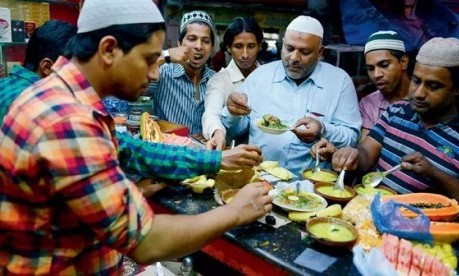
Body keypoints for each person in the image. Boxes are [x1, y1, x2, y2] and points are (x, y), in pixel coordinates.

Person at [0, 0, 272, 274]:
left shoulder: (59, 96)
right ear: (108, 50)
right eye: (149, 59)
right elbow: (145, 240)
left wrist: (216, 158)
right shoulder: (67, 120)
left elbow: (133, 150)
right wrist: (235, 211)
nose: (155, 73)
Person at [0, 20, 263, 187]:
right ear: (49, 68)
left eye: (206, 40)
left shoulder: (16, 91)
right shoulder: (49, 109)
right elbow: (127, 151)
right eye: (81, 69)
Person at [331, 37, 459, 208]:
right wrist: (350, 156)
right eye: (416, 81)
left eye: (433, 86)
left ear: (457, 89)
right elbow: (365, 153)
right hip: (368, 213)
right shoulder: (396, 111)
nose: (418, 93)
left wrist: (434, 173)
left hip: (421, 229)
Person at [221, 15, 361, 174]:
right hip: (259, 178)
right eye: (289, 49)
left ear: (320, 52)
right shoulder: (259, 76)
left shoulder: (339, 82)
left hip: (310, 185)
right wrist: (232, 112)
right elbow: (235, 130)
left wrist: (323, 129)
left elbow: (352, 136)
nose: (294, 58)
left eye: (305, 51)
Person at [151, 10, 216, 136]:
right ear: (179, 44)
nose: (199, 46)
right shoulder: (163, 72)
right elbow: (130, 81)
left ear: (212, 48)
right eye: (192, 39)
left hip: (203, 153)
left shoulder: (216, 79)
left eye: (206, 41)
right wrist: (166, 54)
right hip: (168, 152)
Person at [203, 17, 263, 150]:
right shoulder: (219, 80)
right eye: (238, 46)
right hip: (233, 155)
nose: (245, 54)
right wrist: (217, 133)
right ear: (229, 48)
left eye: (251, 46)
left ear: (259, 46)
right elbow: (211, 113)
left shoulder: (268, 77)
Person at [359, 30, 410, 140]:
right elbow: (365, 150)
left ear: (403, 62)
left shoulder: (423, 100)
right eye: (370, 68)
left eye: (384, 65)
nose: (376, 74)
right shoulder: (368, 104)